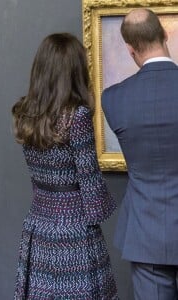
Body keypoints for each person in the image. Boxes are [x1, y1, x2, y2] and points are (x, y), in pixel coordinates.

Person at [12, 33, 118, 299]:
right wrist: (107, 208)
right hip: (74, 229)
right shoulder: (78, 116)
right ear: (75, 71)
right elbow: (90, 184)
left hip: (39, 224)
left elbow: (37, 180)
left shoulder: (26, 113)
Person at [102, 8, 178, 300]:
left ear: (130, 49)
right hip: (147, 236)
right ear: (164, 34)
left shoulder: (114, 98)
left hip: (147, 234)